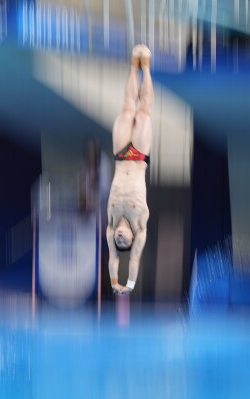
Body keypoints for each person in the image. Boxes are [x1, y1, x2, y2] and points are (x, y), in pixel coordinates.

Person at [106, 44, 153, 295]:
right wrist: (129, 285)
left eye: (118, 242)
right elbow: (132, 260)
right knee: (143, 112)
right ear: (133, 240)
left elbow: (114, 258)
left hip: (121, 155)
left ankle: (133, 65)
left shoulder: (111, 225)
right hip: (138, 159)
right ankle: (145, 66)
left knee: (127, 109)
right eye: (125, 242)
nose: (120, 240)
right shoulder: (140, 226)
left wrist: (114, 282)